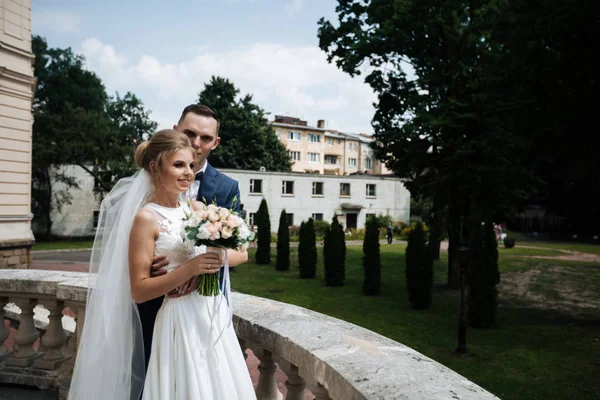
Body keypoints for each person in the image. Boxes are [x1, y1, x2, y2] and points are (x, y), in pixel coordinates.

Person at [68, 130, 255, 399]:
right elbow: (139, 290)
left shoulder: (196, 208)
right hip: (177, 317)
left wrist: (205, 266)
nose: (188, 172)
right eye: (178, 165)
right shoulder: (146, 218)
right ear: (155, 167)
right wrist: (188, 270)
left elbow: (237, 253)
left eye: (191, 165)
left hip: (210, 311)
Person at [139, 104, 242, 371]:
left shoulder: (227, 188)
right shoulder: (144, 183)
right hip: (156, 304)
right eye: (190, 133)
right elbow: (129, 245)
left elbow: (241, 250)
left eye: (206, 138)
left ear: (215, 143)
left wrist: (200, 266)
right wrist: (149, 263)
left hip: (205, 303)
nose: (196, 143)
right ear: (176, 130)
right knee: (155, 376)